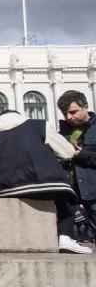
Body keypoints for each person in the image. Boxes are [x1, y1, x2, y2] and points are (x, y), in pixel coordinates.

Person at [0, 110, 91, 254]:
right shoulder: (38, 125)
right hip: (47, 181)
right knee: (67, 196)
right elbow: (67, 152)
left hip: (5, 188)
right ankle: (66, 237)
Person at [57, 90, 96, 242]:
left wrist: (82, 155)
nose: (69, 117)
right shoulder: (64, 132)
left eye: (73, 112)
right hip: (74, 192)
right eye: (65, 113)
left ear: (85, 107)